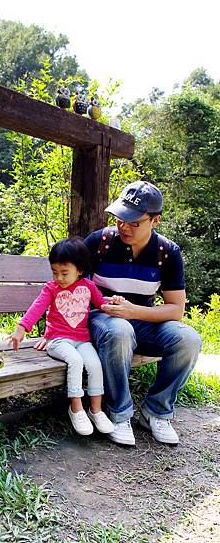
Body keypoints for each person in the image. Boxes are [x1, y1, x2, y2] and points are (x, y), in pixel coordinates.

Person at [84, 181, 202, 446]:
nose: (124, 227)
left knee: (188, 339)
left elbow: (176, 309)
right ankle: (119, 413)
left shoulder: (168, 253)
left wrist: (133, 311)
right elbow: (70, 288)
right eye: (120, 219)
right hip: (102, 319)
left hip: (142, 320)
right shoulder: (99, 242)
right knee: (120, 329)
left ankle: (156, 412)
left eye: (134, 222)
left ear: (155, 220)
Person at [7, 236, 123, 436]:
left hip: (82, 339)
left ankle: (96, 410)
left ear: (79, 269)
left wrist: (112, 302)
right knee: (75, 361)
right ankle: (76, 407)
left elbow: (100, 304)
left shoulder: (88, 286)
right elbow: (36, 309)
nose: (58, 278)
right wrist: (21, 329)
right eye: (54, 272)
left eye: (64, 273)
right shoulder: (51, 289)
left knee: (95, 364)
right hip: (57, 341)